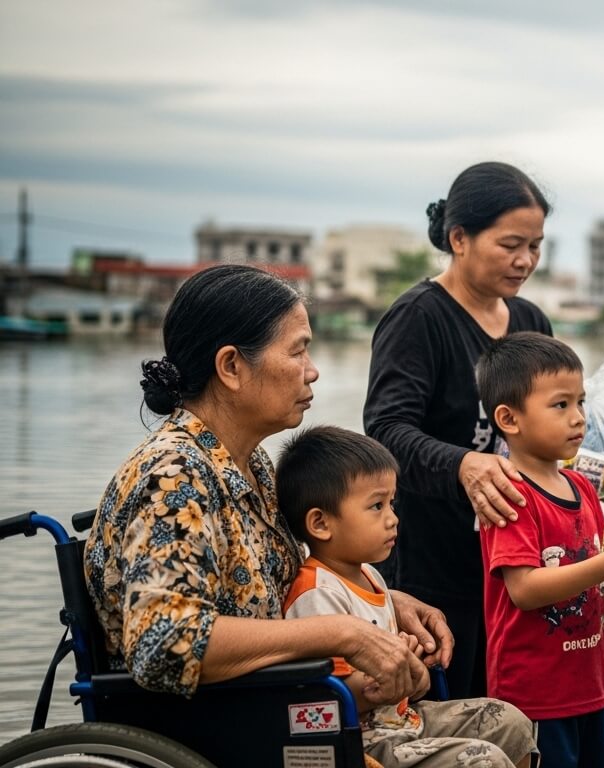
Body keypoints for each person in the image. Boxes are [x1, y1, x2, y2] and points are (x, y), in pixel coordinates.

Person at [84, 265, 532, 767]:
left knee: (508, 724)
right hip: (228, 721)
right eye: (297, 350)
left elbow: (287, 582)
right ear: (232, 366)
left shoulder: (246, 462)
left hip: (285, 702)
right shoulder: (174, 478)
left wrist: (383, 601)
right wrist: (343, 633)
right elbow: (165, 643)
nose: (312, 369)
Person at [364, 162, 553, 699]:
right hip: (433, 570)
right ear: (459, 238)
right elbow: (384, 429)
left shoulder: (531, 322)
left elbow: (544, 426)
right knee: (446, 718)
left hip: (517, 571)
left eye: (536, 246)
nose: (525, 261)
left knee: (516, 722)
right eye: (511, 243)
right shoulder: (420, 318)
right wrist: (461, 464)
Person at [278, 425, 536, 767]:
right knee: (481, 761)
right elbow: (323, 699)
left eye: (392, 503)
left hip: (403, 720)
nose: (393, 518)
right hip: (363, 738)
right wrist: (391, 676)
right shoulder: (317, 595)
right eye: (376, 506)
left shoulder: (371, 576)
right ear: (321, 524)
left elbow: (409, 688)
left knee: (511, 722)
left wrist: (413, 673)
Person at [474, 332, 604, 767]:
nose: (579, 417)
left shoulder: (581, 487)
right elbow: (524, 589)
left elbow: (596, 579)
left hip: (595, 686)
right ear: (509, 419)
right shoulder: (509, 493)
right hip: (536, 697)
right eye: (560, 405)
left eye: (581, 402)